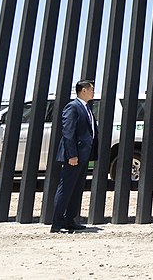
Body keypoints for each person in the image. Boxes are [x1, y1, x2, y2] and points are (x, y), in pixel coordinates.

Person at [51, 79, 99, 233]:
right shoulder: (73, 107)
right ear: (83, 90)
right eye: (91, 89)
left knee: (76, 189)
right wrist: (72, 155)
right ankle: (57, 224)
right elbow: (68, 132)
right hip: (74, 156)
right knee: (66, 188)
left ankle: (70, 220)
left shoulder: (86, 107)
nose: (93, 92)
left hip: (83, 156)